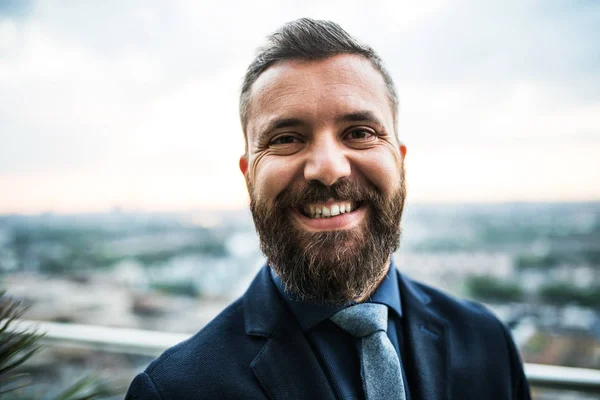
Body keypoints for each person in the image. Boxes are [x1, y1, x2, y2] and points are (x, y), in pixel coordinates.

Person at [126, 18, 531, 399]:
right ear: (249, 176)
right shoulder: (177, 390)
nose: (327, 168)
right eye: (286, 138)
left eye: (359, 133)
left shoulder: (487, 342)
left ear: (400, 160)